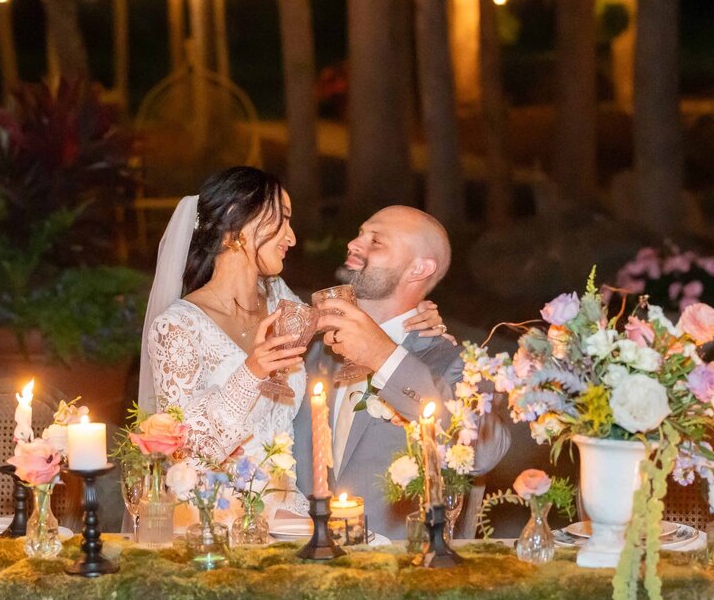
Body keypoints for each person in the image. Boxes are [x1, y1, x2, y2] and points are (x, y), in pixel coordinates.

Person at [139, 168, 448, 519]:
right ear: (237, 222)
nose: (293, 237)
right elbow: (185, 453)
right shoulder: (176, 326)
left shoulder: (279, 299)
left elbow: (345, 321)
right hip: (216, 515)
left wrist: (416, 313)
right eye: (282, 220)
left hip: (289, 511)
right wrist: (251, 373)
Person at [293, 206, 511, 539]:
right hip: (301, 551)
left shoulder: (453, 362)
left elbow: (484, 451)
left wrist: (385, 358)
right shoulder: (314, 350)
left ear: (419, 268)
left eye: (376, 240)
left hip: (400, 561)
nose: (353, 243)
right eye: (360, 234)